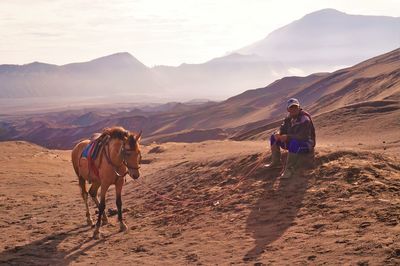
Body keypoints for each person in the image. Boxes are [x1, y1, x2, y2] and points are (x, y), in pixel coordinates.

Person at [264, 98, 316, 178]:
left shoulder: (304, 119)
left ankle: (289, 169)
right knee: (273, 137)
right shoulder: (288, 118)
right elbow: (282, 129)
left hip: (306, 144)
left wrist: (288, 137)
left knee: (293, 142)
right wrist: (278, 134)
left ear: (299, 107)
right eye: (291, 107)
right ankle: (275, 162)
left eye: (295, 107)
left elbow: (304, 136)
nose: (293, 109)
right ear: (288, 109)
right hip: (293, 142)